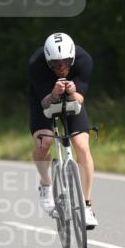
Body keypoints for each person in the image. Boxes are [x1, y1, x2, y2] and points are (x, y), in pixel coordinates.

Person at [29, 32, 98, 229]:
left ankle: (87, 206)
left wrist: (72, 92)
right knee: (45, 142)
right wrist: (53, 93)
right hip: (43, 98)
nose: (61, 68)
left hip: (72, 97)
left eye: (66, 63)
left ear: (73, 58)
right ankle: (45, 184)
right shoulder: (37, 62)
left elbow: (80, 99)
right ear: (48, 61)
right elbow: (44, 102)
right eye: (56, 65)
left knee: (82, 146)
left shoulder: (84, 60)